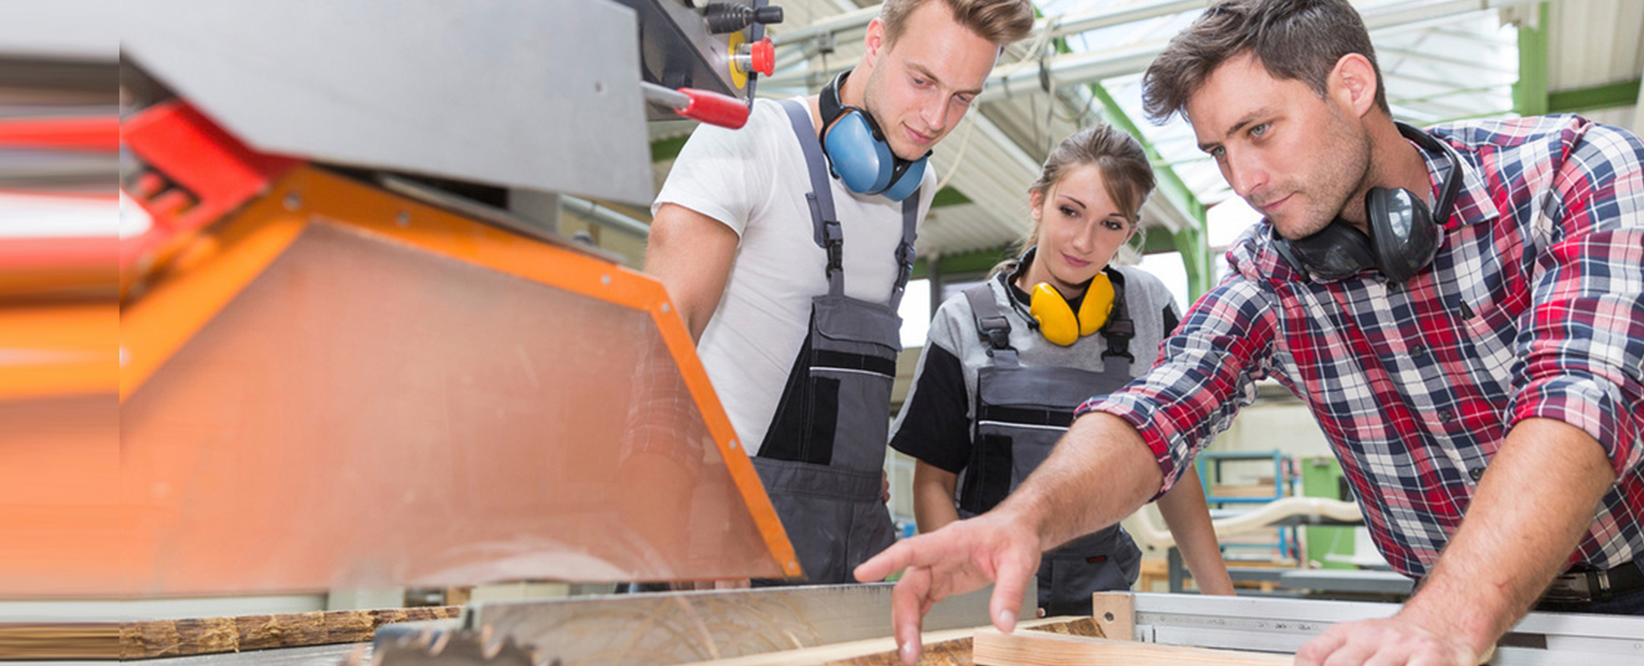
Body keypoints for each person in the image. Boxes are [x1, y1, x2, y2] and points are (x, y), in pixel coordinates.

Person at [855, 0, 1644, 664]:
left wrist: (1451, 614)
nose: (1243, 182)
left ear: (1353, 84)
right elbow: (1154, 411)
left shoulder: (1575, 173)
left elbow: (1578, 402)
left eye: (1259, 130)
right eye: (1217, 153)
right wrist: (1021, 521)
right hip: (1436, 608)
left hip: (1616, 587)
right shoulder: (1270, 273)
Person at [644, 0, 1035, 584]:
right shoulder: (747, 141)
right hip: (719, 529)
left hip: (848, 535)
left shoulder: (916, 185)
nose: (934, 118)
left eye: (962, 98)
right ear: (876, 41)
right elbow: (656, 343)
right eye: (922, 80)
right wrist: (666, 515)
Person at [888, 125, 1235, 616]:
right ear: (1038, 203)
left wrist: (1228, 609)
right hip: (985, 585)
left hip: (1100, 593)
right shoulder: (964, 319)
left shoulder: (1148, 308)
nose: (1083, 241)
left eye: (1110, 225)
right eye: (1070, 211)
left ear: (1131, 232)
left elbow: (1172, 468)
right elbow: (933, 482)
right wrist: (969, 592)